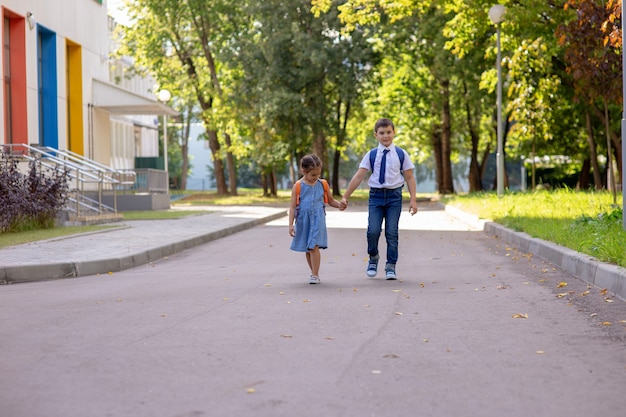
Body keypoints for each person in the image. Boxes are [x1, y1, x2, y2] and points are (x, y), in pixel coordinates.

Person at [341, 118, 417, 280]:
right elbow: (359, 176)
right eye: (382, 133)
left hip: (394, 197)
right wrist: (345, 197)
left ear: (394, 133)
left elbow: (409, 178)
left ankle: (391, 266)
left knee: (391, 232)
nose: (385, 136)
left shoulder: (401, 154)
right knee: (373, 231)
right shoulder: (372, 155)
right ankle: (373, 257)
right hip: (375, 197)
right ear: (376, 135)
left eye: (388, 132)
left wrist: (413, 200)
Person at [289, 154, 345, 284]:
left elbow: (330, 201)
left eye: (318, 174)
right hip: (303, 221)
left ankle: (315, 275)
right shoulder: (298, 186)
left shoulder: (323, 184)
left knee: (313, 245)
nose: (316, 177)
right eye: (313, 175)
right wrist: (291, 225)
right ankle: (313, 273)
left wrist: (340, 205)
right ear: (304, 171)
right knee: (308, 248)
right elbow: (292, 207)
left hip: (318, 219)